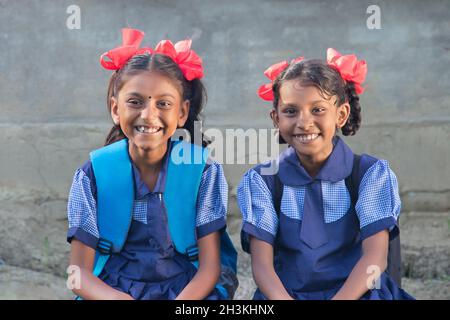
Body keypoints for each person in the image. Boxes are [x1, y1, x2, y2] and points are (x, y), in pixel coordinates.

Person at [67, 28, 235, 300]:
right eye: (134, 101)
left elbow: (210, 268)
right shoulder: (93, 175)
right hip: (114, 290)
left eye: (163, 103)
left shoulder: (203, 172)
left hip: (187, 290)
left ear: (182, 112)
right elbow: (78, 274)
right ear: (115, 108)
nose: (148, 115)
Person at [237, 49, 414, 300]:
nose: (304, 122)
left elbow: (375, 258)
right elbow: (262, 267)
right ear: (276, 118)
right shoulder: (263, 181)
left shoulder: (368, 175)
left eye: (317, 110)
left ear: (341, 114)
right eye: (290, 111)